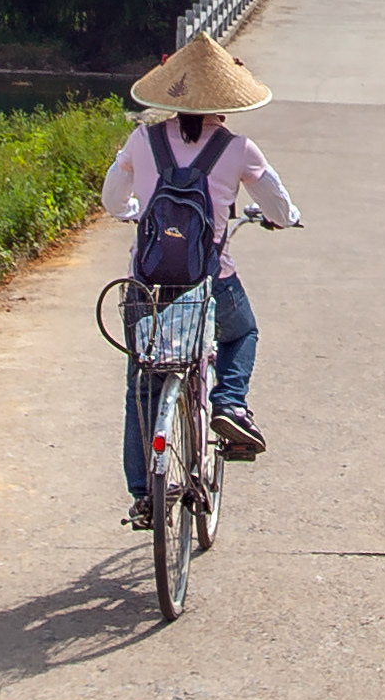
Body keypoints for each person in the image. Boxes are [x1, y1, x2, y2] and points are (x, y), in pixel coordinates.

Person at [104, 36, 300, 523]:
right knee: (242, 332)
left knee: (142, 384)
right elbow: (277, 205)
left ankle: (144, 492)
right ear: (226, 101)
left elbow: (113, 199)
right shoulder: (237, 149)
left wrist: (134, 211)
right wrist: (284, 217)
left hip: (145, 285)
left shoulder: (142, 140)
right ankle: (230, 404)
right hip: (209, 285)